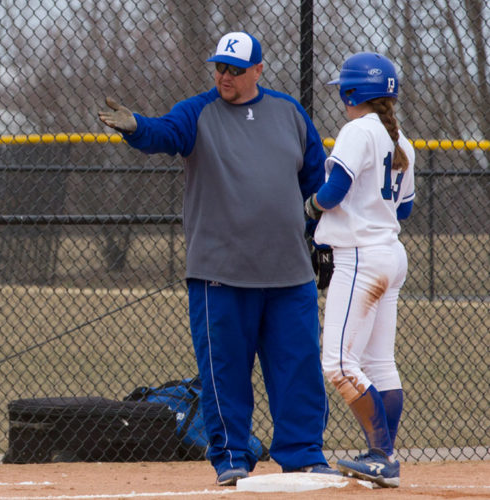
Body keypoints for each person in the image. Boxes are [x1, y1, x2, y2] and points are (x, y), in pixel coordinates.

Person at [98, 31, 340, 485]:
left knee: (298, 367)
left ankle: (303, 452)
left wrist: (321, 239)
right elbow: (164, 134)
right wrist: (136, 128)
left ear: (258, 70)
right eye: (219, 67)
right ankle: (231, 458)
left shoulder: (289, 113)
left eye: (234, 68)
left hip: (289, 274)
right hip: (221, 275)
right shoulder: (198, 112)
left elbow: (314, 183)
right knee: (224, 373)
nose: (224, 76)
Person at [305, 52, 415, 488]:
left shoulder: (357, 130)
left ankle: (381, 454)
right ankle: (382, 455)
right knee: (378, 362)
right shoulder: (401, 140)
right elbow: (403, 208)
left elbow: (332, 192)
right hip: (390, 253)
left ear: (352, 93)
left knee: (338, 363)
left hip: (360, 257)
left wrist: (308, 209)